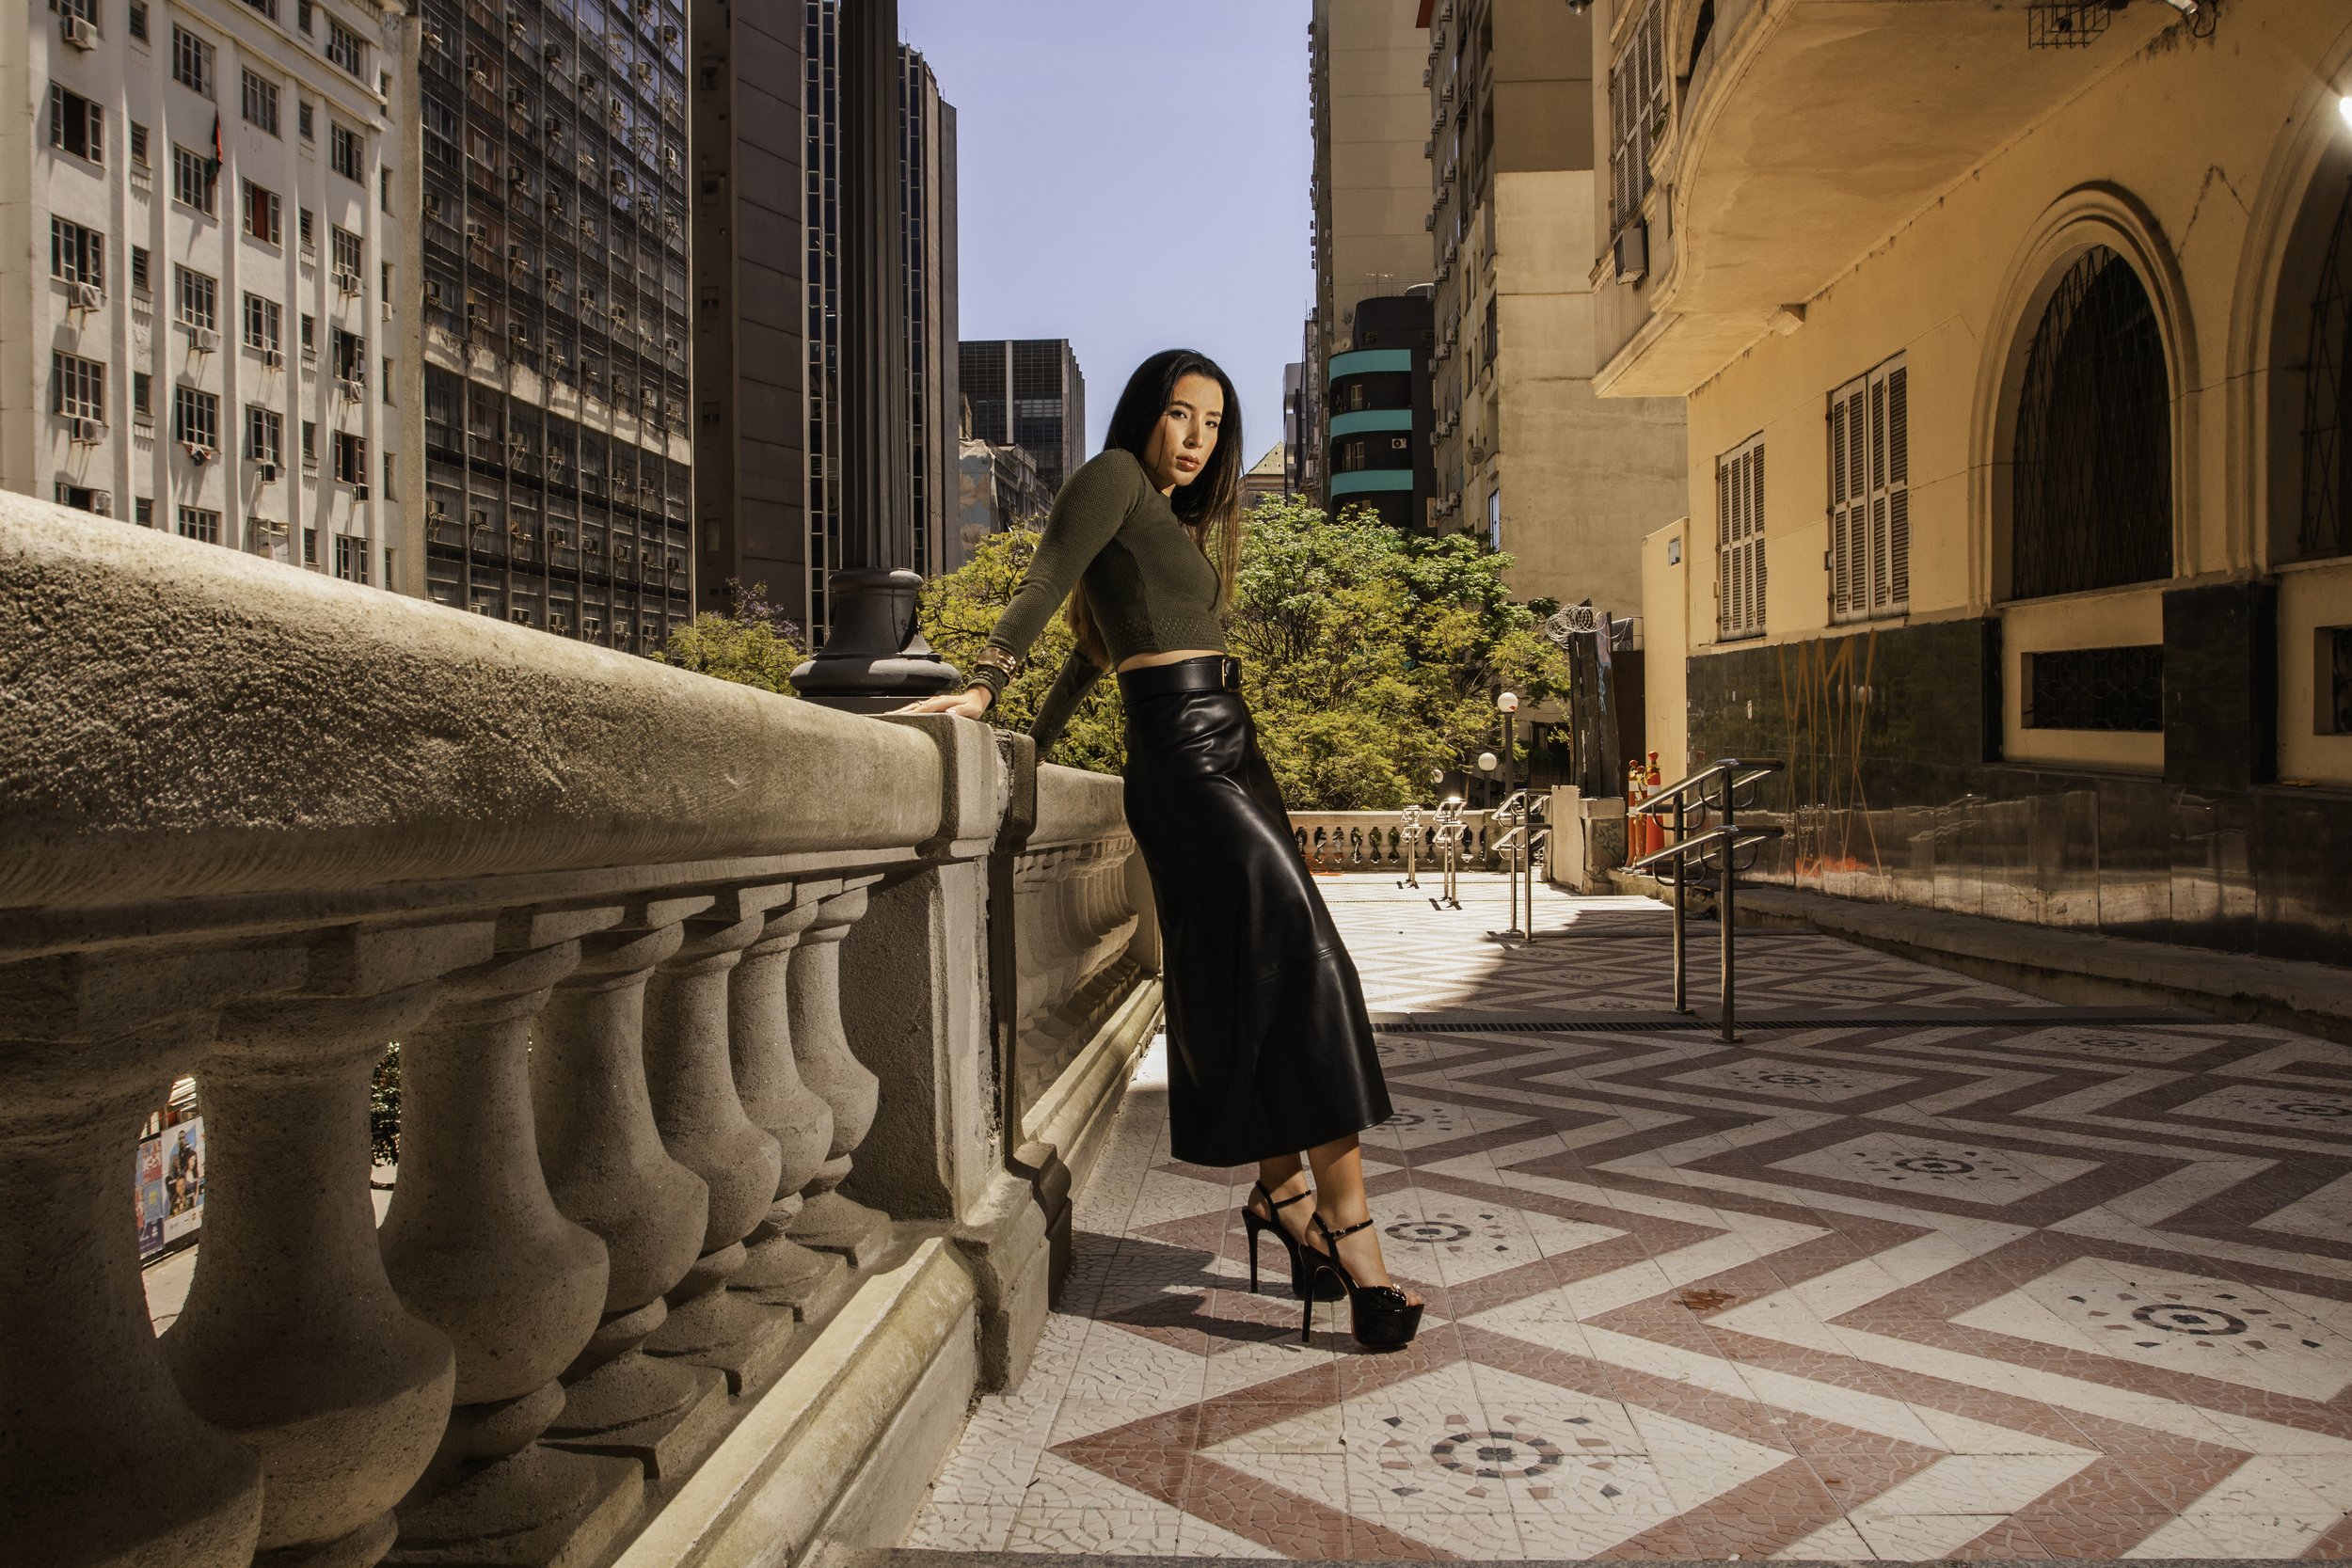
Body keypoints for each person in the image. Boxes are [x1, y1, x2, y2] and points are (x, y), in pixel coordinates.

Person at [896, 349, 1421, 1350]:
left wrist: (1035, 743)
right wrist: (983, 690)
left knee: (1242, 973)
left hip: (1232, 744)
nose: (1196, 438)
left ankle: (1284, 1199)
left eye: (1213, 424)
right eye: (1180, 415)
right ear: (1144, 415)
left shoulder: (1168, 527)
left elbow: (1094, 656)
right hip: (1183, 758)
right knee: (1305, 964)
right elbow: (1049, 580)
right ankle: (1354, 1234)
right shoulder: (1110, 480)